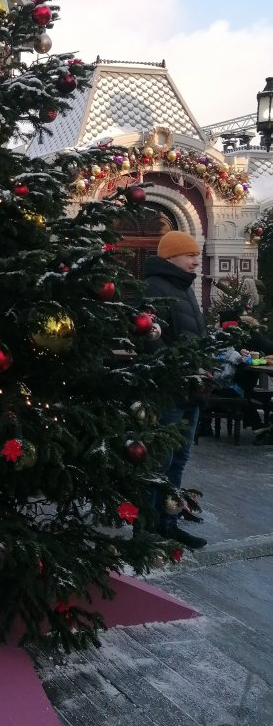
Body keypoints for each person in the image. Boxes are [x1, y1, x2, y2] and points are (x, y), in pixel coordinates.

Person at [143, 231, 208, 549]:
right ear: (171, 258)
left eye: (197, 254)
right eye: (189, 254)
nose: (196, 259)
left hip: (191, 389)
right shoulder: (156, 287)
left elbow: (193, 338)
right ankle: (145, 528)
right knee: (160, 460)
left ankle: (166, 521)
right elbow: (151, 340)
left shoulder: (186, 289)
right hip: (168, 390)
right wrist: (181, 370)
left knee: (179, 459)